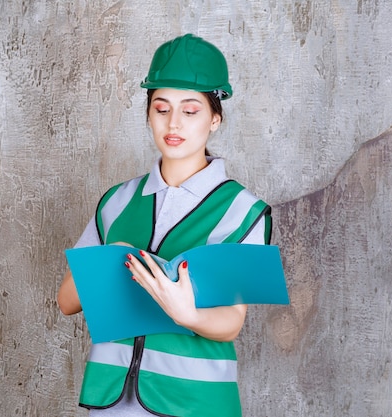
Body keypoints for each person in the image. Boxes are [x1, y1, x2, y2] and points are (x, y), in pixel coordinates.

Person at [58, 33, 272, 417]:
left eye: (190, 111)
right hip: (113, 401)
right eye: (161, 108)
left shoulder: (244, 211)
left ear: (215, 119)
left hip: (195, 402)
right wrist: (110, 256)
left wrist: (185, 313)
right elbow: (67, 302)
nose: (173, 123)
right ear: (148, 115)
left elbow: (230, 323)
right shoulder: (117, 201)